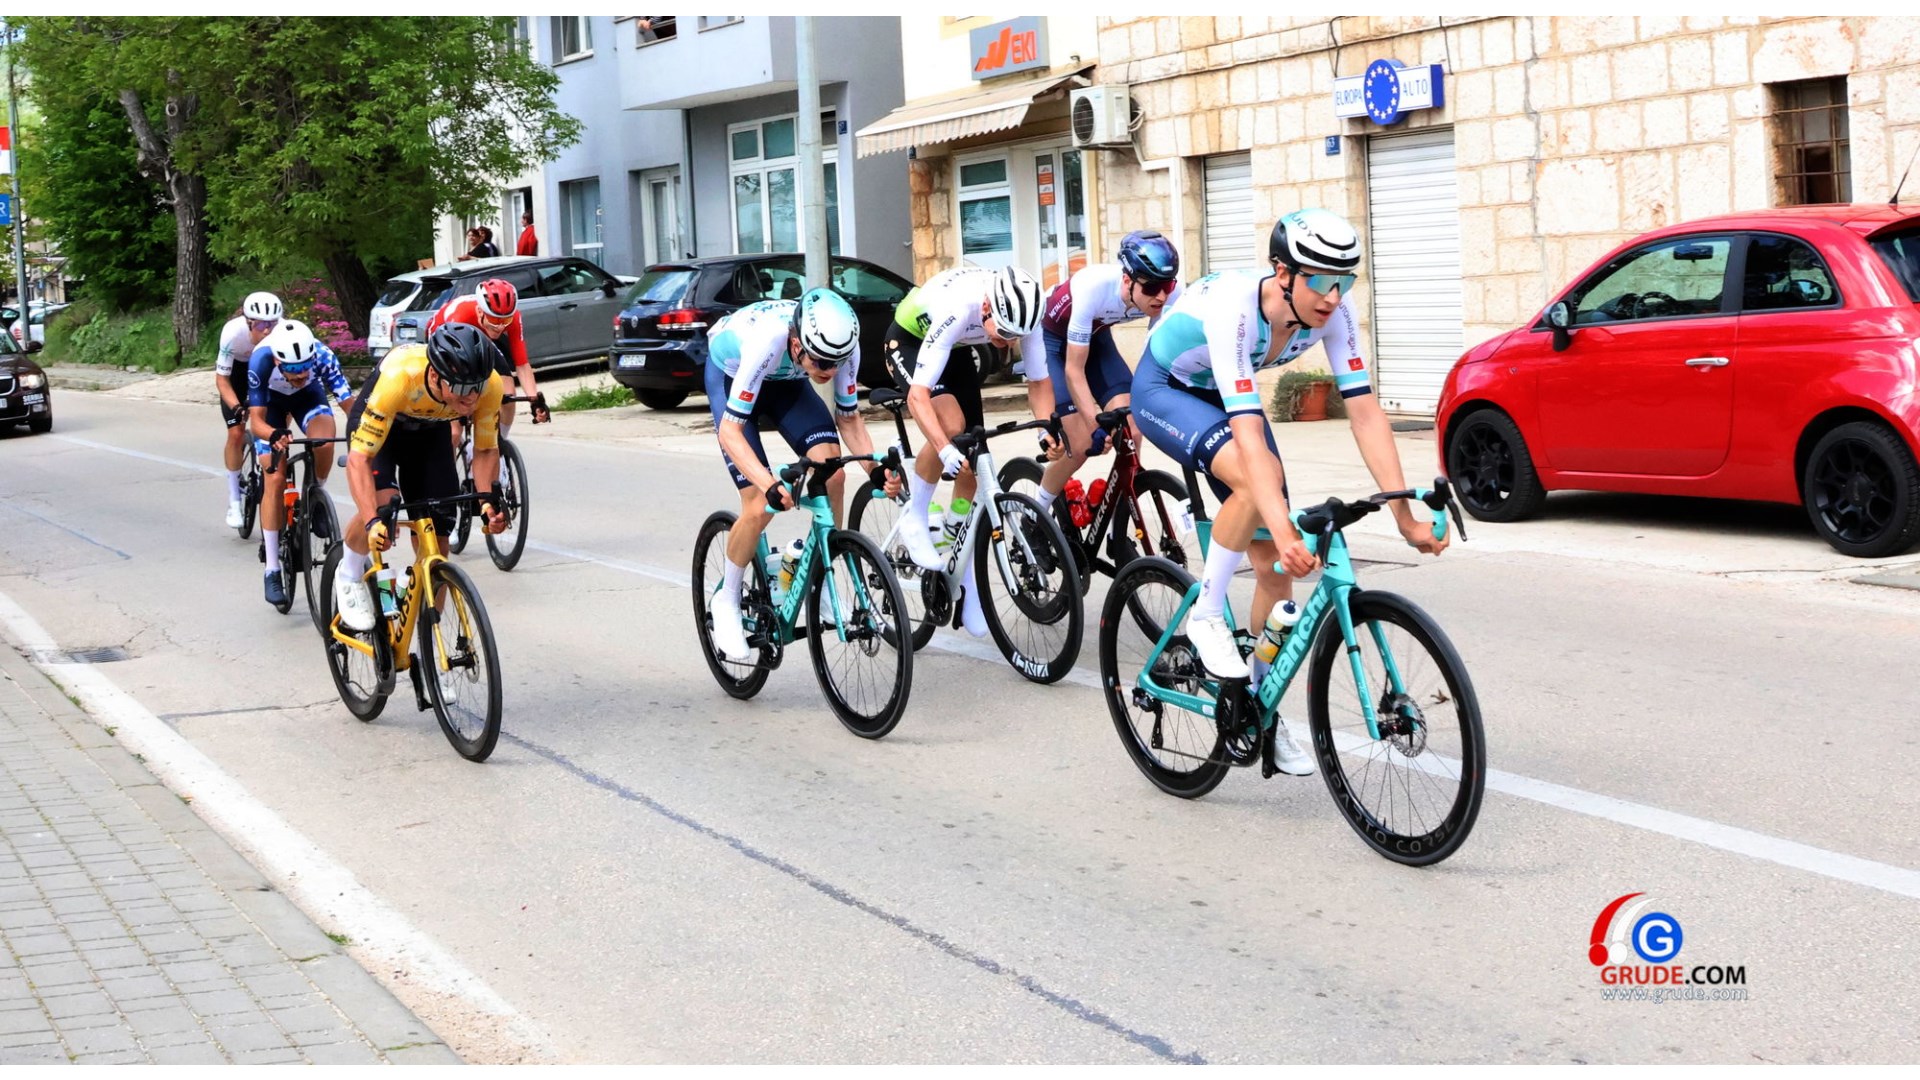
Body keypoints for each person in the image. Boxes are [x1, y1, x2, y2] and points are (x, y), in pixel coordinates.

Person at [1131, 208, 1448, 774]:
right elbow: (1249, 431)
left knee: (1276, 578)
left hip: (1228, 400)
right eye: (1322, 282)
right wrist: (1281, 525)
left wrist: (1404, 516)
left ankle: (1257, 712)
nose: (1333, 297)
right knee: (1263, 489)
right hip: (1167, 389)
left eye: (1345, 282)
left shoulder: (1334, 313)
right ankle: (1205, 613)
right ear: (1283, 273)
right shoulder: (1236, 310)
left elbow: (1367, 413)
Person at [703, 289, 875, 661]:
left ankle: (821, 576)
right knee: (758, 506)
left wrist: (875, 470)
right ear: (796, 342)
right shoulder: (768, 340)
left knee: (834, 475)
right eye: (821, 362)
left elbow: (848, 418)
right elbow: (730, 432)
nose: (828, 371)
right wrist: (768, 485)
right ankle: (727, 600)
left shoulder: (840, 346)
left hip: (786, 381)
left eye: (836, 362)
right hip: (733, 375)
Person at [883, 264, 1051, 636]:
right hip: (910, 340)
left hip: (958, 346)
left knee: (978, 460)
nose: (1009, 342)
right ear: (988, 307)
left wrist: (1046, 433)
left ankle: (966, 574)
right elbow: (918, 397)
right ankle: (916, 514)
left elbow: (1039, 383)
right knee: (953, 426)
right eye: (1004, 333)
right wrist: (943, 449)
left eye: (1016, 336)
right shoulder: (960, 307)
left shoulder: (1026, 316)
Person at [333, 324, 507, 635]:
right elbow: (359, 460)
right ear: (437, 376)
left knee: (438, 540)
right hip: (383, 428)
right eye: (464, 388)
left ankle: (430, 640)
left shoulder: (489, 387)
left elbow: (485, 450)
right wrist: (373, 521)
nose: (472, 398)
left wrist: (486, 504)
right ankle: (347, 574)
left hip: (429, 431)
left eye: (477, 387)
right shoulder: (401, 378)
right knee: (383, 502)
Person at [1033, 231, 1183, 518]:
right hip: (1054, 345)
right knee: (1079, 446)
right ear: (1127, 280)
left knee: (1132, 429)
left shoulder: (1169, 295)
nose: (1162, 296)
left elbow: (1160, 358)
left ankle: (1119, 521)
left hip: (1097, 341)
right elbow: (1074, 370)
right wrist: (1095, 423)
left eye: (1167, 285)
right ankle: (1035, 515)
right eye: (1152, 288)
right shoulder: (1093, 286)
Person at [245, 320, 356, 607]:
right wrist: (273, 435)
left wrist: (367, 436)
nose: (300, 374)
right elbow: (255, 420)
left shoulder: (324, 356)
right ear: (279, 361)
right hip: (270, 405)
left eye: (305, 368)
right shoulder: (261, 359)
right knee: (275, 477)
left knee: (325, 439)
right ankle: (272, 568)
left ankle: (316, 492)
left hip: (307, 399)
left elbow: (349, 405)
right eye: (293, 370)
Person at [426, 278, 550, 444]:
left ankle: (500, 444)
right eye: (494, 319)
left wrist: (534, 400)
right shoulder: (459, 315)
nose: (500, 326)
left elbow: (521, 364)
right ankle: (448, 466)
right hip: (448, 335)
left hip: (484, 335)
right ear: (480, 311)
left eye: (504, 321)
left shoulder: (510, 319)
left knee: (508, 392)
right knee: (454, 431)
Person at [215, 292, 283, 528]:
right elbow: (222, 380)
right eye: (262, 325)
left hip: (265, 370)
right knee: (235, 433)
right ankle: (234, 499)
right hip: (237, 374)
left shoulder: (281, 334)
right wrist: (236, 406)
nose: (267, 330)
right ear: (248, 322)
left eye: (272, 324)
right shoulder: (233, 333)